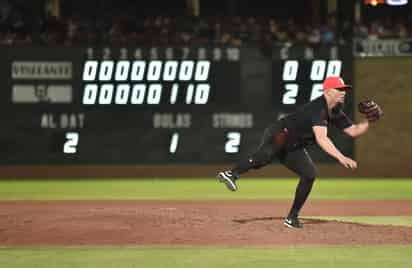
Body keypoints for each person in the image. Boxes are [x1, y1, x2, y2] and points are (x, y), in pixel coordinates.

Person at [217, 76, 383, 229]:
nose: (343, 92)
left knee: (309, 174)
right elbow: (322, 139)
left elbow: (353, 131)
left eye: (344, 89)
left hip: (294, 146)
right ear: (328, 91)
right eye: (340, 89)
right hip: (281, 133)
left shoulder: (335, 110)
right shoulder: (318, 108)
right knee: (263, 157)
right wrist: (341, 157)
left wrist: (368, 121)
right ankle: (231, 174)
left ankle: (292, 218)